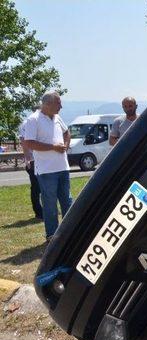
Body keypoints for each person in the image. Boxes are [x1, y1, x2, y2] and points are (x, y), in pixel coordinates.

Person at [22, 92, 72, 241]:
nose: (61, 107)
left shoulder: (57, 117)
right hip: (46, 170)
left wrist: (66, 145)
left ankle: (70, 232)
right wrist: (53, 147)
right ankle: (52, 235)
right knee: (50, 204)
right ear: (48, 104)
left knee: (67, 201)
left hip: (63, 167)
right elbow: (29, 142)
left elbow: (67, 132)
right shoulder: (33, 120)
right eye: (58, 103)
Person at [19, 106, 43, 220]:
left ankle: (43, 210)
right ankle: (38, 212)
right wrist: (28, 158)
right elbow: (24, 142)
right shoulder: (27, 123)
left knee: (42, 187)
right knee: (36, 188)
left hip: (40, 159)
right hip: (33, 160)